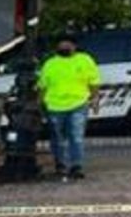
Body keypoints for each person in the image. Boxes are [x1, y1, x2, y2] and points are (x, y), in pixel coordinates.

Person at [36, 34, 99, 182]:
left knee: (76, 137)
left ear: (74, 46)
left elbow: (94, 81)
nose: (64, 46)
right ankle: (61, 165)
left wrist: (95, 99)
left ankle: (76, 166)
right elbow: (42, 86)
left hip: (78, 104)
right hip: (54, 106)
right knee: (57, 139)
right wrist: (39, 104)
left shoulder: (85, 60)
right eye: (61, 44)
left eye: (67, 44)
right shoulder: (50, 64)